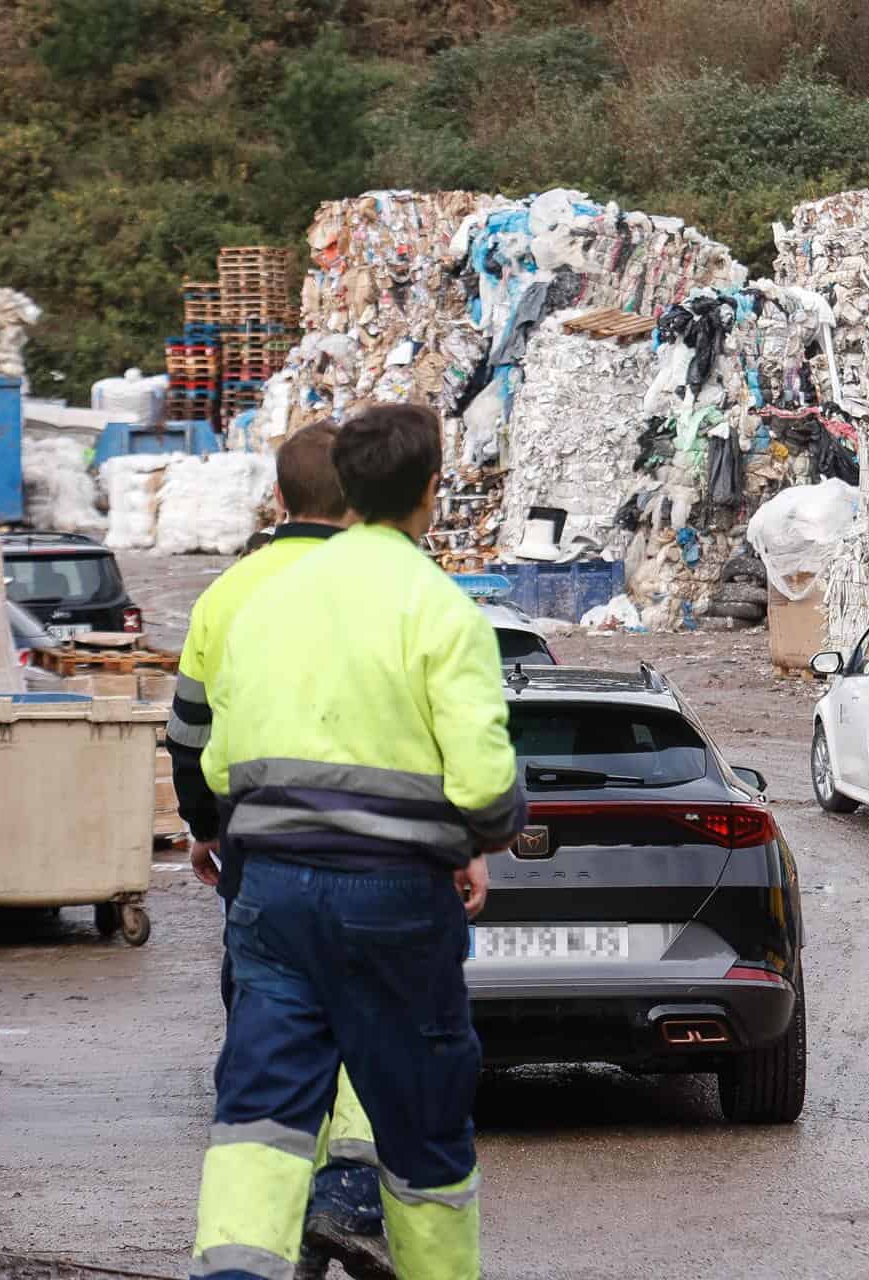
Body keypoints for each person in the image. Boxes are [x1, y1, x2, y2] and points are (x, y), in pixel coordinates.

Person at [191, 404, 523, 1280]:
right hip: (396, 898)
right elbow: (485, 784)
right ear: (428, 491)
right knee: (421, 1123)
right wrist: (484, 833)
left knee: (261, 1113)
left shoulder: (264, 596)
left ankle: (234, 1268)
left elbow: (221, 764)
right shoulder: (440, 608)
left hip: (271, 893)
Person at [165, 424, 393, 1280]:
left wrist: (204, 826)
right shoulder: (392, 585)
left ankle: (266, 1232)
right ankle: (348, 1197)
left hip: (260, 848)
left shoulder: (229, 592)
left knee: (271, 1034)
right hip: (379, 847)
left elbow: (187, 734)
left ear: (279, 498)